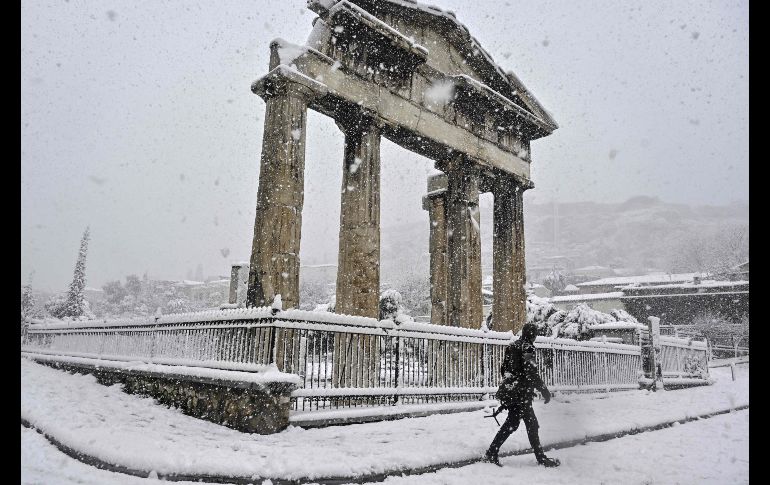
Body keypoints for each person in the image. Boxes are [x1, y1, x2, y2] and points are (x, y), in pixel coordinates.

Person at [484, 322, 560, 467]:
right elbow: (531, 372)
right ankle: (540, 458)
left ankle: (492, 452)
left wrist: (512, 381)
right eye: (535, 334)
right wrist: (543, 389)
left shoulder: (512, 346)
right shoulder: (527, 347)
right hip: (522, 394)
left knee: (519, 424)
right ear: (533, 334)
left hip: (512, 392)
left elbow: (503, 370)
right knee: (527, 424)